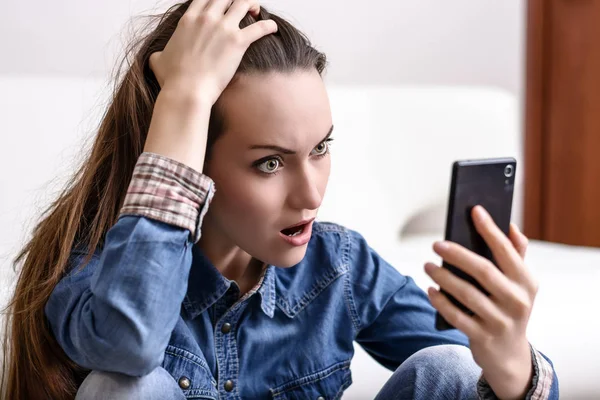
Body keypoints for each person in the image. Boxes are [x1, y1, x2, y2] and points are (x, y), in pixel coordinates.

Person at [1, 0, 559, 399]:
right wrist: (184, 100)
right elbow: (129, 347)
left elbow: (469, 374)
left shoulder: (339, 266)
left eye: (320, 148)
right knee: (127, 386)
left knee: (454, 370)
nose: (312, 194)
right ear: (192, 155)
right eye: (269, 162)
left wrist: (512, 361)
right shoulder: (97, 274)